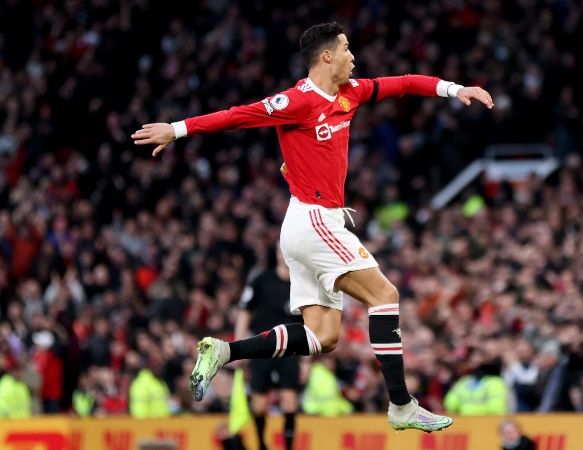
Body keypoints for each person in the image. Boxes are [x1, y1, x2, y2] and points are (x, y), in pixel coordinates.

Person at [131, 21, 493, 432]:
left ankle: (225, 351)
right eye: (346, 49)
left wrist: (454, 89)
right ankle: (400, 404)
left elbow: (406, 82)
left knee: (324, 336)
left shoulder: (350, 93)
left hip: (307, 224)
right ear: (326, 56)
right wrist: (176, 130)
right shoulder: (295, 101)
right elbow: (236, 116)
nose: (353, 57)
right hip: (314, 219)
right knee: (385, 294)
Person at [235, 245, 300, 450]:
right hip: (263, 348)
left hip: (291, 348)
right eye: (281, 251)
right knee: (259, 404)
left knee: (289, 401)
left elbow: (309, 321)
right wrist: (239, 349)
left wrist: (307, 358)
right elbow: (245, 312)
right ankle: (262, 443)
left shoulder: (302, 283)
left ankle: (289, 446)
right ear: (277, 254)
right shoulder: (261, 281)